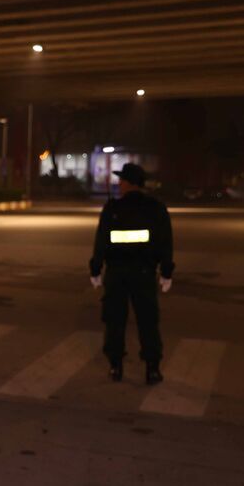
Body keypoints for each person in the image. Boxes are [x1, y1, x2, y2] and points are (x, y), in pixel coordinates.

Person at [89, 162, 174, 384]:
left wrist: (95, 269)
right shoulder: (156, 208)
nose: (119, 184)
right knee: (148, 321)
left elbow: (101, 242)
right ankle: (152, 369)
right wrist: (166, 272)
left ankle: (115, 366)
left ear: (128, 183)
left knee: (115, 321)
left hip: (116, 274)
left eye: (121, 180)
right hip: (144, 273)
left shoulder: (112, 209)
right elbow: (165, 242)